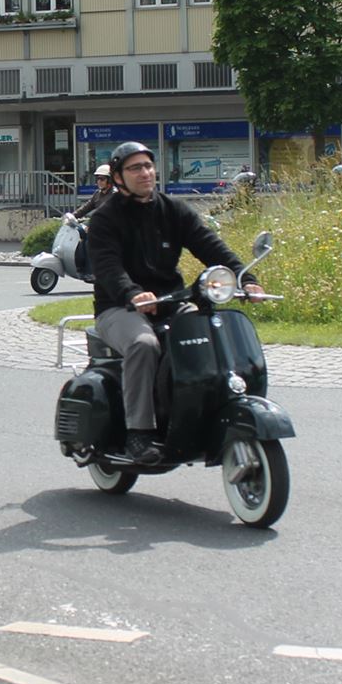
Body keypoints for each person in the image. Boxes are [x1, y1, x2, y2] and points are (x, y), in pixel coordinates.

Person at [87, 140, 259, 466]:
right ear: (119, 177)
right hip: (119, 307)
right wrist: (132, 293)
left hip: (172, 301)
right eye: (135, 168)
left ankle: (203, 412)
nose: (145, 173)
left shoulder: (173, 210)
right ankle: (139, 432)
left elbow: (210, 245)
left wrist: (245, 278)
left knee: (211, 333)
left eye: (148, 166)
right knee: (143, 344)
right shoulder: (105, 218)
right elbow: (108, 267)